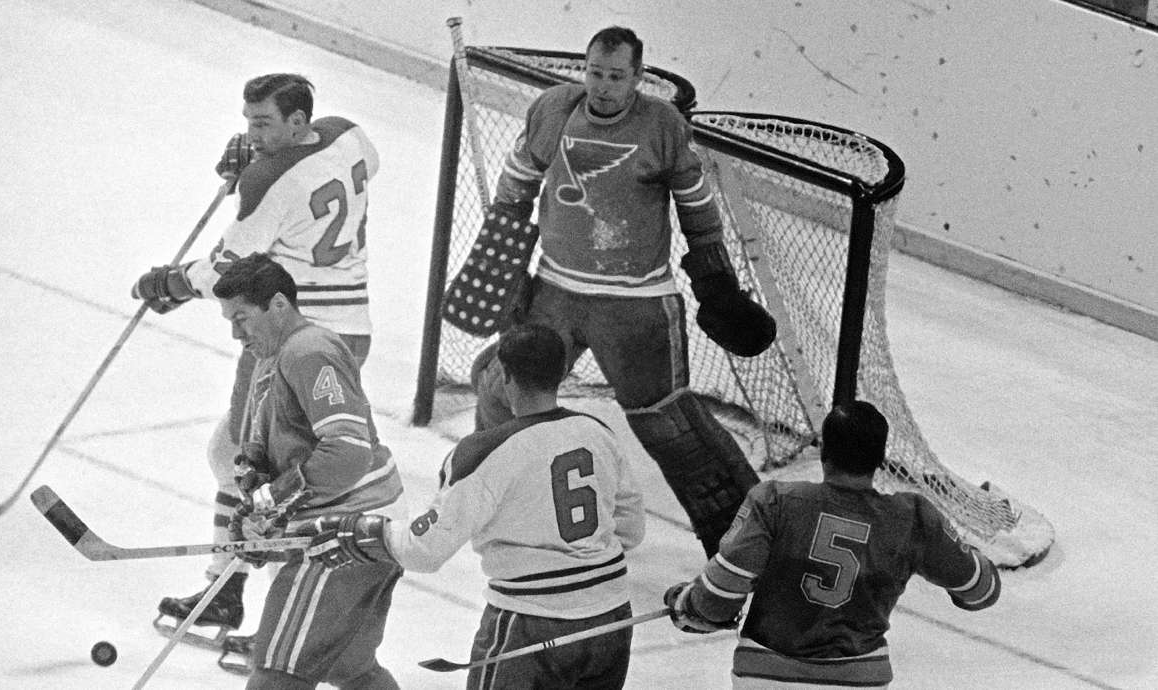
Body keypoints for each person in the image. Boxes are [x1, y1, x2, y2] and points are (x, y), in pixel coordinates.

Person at [463, 26, 776, 559]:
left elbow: (698, 210)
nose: (603, 86)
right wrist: (504, 260)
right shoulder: (553, 111)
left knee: (669, 425)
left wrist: (715, 281)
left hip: (636, 305)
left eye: (616, 76)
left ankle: (748, 541)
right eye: (595, 73)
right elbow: (516, 189)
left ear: (637, 76)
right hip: (556, 291)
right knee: (500, 385)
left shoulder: (662, 126)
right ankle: (494, 500)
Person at [130, 72, 380, 641]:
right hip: (352, 328)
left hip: (289, 336)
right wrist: (262, 158)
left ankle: (241, 593)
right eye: (248, 122)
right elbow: (326, 174)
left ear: (297, 121)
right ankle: (233, 584)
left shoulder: (269, 181)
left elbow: (229, 270)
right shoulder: (350, 135)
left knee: (250, 463)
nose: (252, 133)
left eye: (263, 123)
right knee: (235, 453)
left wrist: (172, 281)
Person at [304, 322, 647, 689]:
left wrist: (365, 532)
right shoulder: (597, 432)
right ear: (562, 373)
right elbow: (630, 528)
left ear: (504, 376)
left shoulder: (485, 453)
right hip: (611, 619)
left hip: (530, 623)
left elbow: (425, 551)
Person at [663, 401, 1002, 688]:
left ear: (825, 450)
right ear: (880, 458)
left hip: (767, 677)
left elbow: (717, 601)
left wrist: (686, 603)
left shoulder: (774, 501)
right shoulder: (912, 517)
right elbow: (982, 592)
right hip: (858, 680)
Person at [210, 253, 401, 689]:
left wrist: (276, 501)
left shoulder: (310, 351)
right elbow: (267, 444)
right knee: (348, 667)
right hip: (350, 523)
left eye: (242, 318)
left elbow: (347, 453)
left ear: (278, 305)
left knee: (279, 673)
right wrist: (257, 493)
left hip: (348, 529)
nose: (235, 333)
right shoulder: (274, 354)